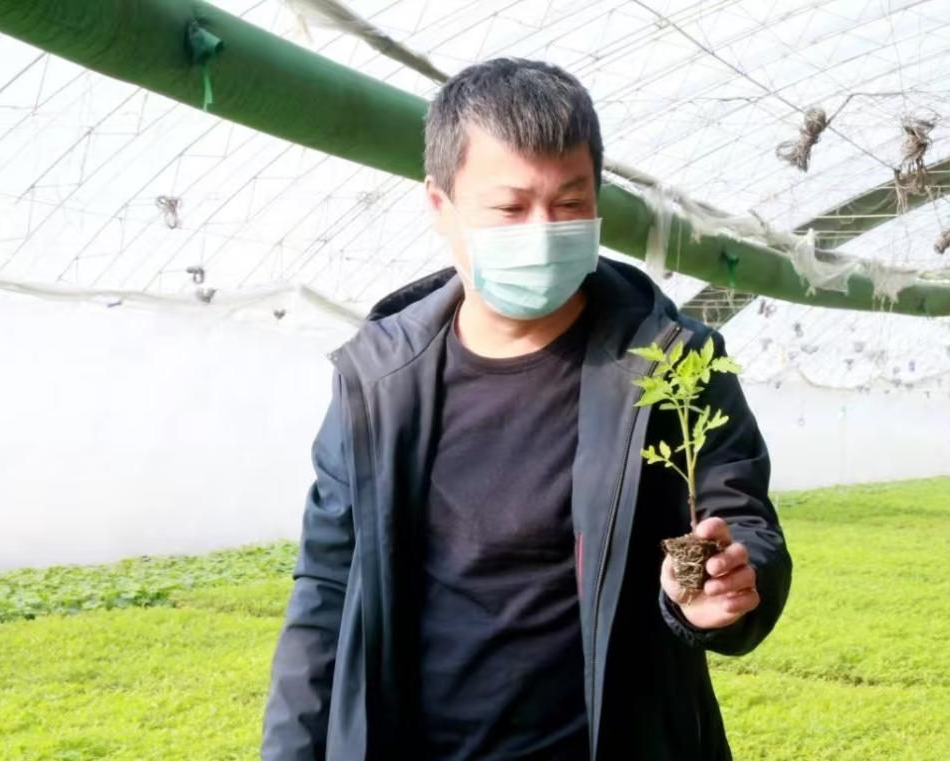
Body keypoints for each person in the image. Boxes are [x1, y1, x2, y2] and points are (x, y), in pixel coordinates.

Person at [261, 57, 791, 761]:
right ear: (440, 205)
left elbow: (742, 522)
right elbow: (326, 588)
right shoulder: (379, 381)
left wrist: (716, 586)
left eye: (569, 204)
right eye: (510, 208)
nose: (542, 230)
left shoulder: (673, 363)